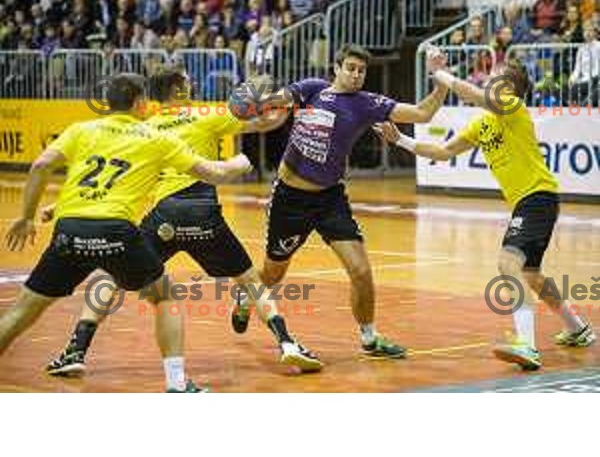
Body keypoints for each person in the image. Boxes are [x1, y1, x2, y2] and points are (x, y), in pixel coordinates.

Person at [46, 67, 322, 377]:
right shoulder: (206, 114)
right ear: (178, 89)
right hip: (202, 213)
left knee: (110, 277)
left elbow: (116, 178)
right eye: (187, 80)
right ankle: (287, 344)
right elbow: (265, 122)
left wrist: (56, 206)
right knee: (250, 282)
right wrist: (284, 104)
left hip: (164, 216)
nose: (192, 83)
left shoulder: (145, 128)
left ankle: (75, 349)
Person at [0, 73, 252, 392]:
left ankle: (75, 348)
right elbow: (214, 172)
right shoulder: (153, 137)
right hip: (115, 231)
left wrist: (27, 217)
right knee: (166, 298)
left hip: (70, 229)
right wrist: (241, 163)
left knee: (24, 309)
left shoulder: (82, 130)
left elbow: (39, 167)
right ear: (140, 103)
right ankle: (176, 383)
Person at [375, 55, 595, 371]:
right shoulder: (482, 123)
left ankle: (528, 346)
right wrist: (402, 141)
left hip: (538, 197)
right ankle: (577, 329)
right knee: (530, 274)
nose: (490, 77)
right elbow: (443, 151)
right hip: (529, 202)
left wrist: (440, 74)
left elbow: (474, 95)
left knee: (508, 263)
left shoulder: (513, 109)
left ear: (510, 89)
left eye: (498, 76)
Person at [258, 44, 449, 358]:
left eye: (362, 70)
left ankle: (370, 338)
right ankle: (244, 299)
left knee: (360, 271)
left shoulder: (365, 104)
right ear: (336, 68)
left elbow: (422, 114)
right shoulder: (312, 89)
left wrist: (441, 79)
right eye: (351, 68)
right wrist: (258, 99)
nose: (357, 74)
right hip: (289, 199)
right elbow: (277, 101)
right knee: (273, 274)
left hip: (330, 199)